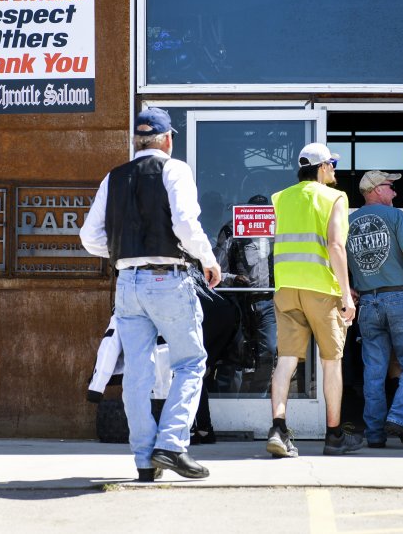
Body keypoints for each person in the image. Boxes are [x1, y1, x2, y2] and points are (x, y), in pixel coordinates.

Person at [80, 107, 221, 481]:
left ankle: (144, 461)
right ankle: (171, 446)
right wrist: (208, 259)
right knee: (190, 363)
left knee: (137, 375)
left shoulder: (115, 177)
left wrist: (123, 255)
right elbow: (186, 224)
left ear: (136, 141)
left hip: (127, 283)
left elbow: (88, 237)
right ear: (168, 139)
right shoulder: (174, 169)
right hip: (168, 279)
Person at [266, 142, 363, 457]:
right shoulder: (335, 197)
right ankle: (334, 436)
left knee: (286, 360)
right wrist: (346, 293)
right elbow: (335, 245)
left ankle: (278, 430)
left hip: (286, 287)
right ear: (322, 168)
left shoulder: (280, 198)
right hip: (321, 288)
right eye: (332, 164)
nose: (334, 169)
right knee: (331, 362)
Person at [347, 171, 403, 448]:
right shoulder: (396, 217)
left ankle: (375, 433)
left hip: (367, 303)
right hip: (398, 298)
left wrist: (346, 287)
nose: (395, 193)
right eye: (391, 187)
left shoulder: (347, 222)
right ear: (375, 189)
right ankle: (399, 416)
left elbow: (334, 255)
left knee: (374, 370)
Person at [228, 195, 277, 396]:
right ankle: (232, 400)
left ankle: (257, 396)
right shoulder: (236, 234)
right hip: (240, 300)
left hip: (269, 299)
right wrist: (233, 278)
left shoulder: (278, 236)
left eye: (264, 210)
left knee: (269, 350)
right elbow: (222, 263)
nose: (260, 214)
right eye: (255, 210)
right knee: (236, 352)